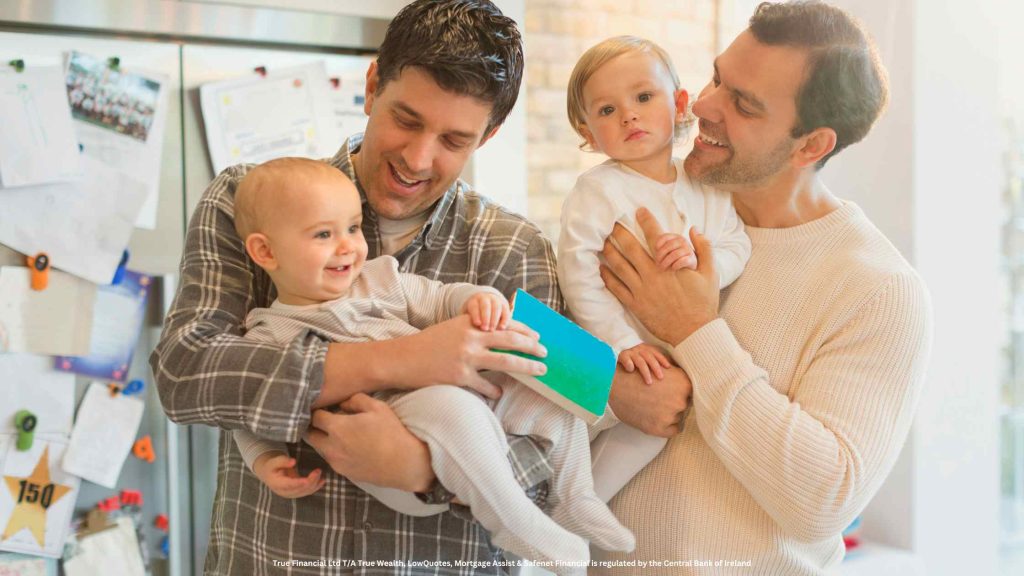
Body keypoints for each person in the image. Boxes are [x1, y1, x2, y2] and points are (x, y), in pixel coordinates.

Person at [150, 1, 691, 572]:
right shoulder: (251, 203)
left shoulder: (514, 246)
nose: (417, 158)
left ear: (489, 135)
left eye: (454, 140)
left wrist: (425, 468)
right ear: (372, 85)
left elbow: (549, 436)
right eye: (406, 120)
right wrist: (397, 360)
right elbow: (187, 374)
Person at [593, 2, 933, 574]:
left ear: (811, 146)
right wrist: (608, 390)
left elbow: (822, 501)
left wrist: (695, 332)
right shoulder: (648, 204)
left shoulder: (879, 289)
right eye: (718, 78)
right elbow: (553, 359)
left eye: (743, 105)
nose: (701, 105)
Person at [228, 157, 633, 570]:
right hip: (383, 436)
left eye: (352, 228)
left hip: (459, 418)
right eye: (323, 234)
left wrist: (475, 300)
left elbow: (439, 298)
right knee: (452, 406)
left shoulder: (379, 279)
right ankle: (513, 520)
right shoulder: (268, 333)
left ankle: (574, 496)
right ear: (265, 250)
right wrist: (262, 457)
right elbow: (243, 411)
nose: (348, 245)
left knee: (540, 389)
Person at [557, 36, 751, 502]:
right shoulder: (597, 191)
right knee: (565, 431)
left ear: (680, 104)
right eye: (606, 110)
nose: (629, 115)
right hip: (610, 353)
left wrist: (702, 265)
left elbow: (736, 244)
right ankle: (548, 500)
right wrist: (619, 342)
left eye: (643, 97)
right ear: (587, 132)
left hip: (674, 361)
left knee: (649, 431)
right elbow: (577, 272)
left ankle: (581, 511)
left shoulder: (706, 186)